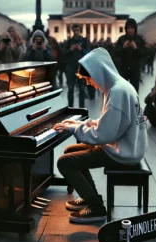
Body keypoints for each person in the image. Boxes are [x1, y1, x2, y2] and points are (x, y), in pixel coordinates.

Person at [53, 48, 148, 223]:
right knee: (69, 150)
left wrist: (74, 129)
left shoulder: (117, 92)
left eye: (89, 79)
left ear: (99, 72)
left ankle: (96, 208)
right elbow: (110, 123)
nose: (89, 83)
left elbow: (103, 135)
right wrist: (78, 124)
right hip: (127, 144)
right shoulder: (118, 86)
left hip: (124, 152)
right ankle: (91, 197)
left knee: (64, 162)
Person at [115, 18, 145, 93]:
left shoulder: (140, 39)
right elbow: (115, 53)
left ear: (135, 28)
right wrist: (123, 47)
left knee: (134, 91)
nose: (130, 30)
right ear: (126, 29)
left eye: (132, 28)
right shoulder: (121, 39)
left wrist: (136, 48)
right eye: (128, 28)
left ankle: (134, 104)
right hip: (123, 69)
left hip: (135, 69)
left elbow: (143, 54)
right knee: (123, 90)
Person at [64, 23, 90, 108]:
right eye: (74, 30)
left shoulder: (84, 41)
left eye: (77, 30)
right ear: (72, 31)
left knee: (82, 89)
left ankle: (82, 108)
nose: (76, 32)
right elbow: (64, 54)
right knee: (70, 89)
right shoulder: (68, 42)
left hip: (81, 68)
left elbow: (89, 53)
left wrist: (81, 49)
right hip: (71, 68)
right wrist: (70, 50)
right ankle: (70, 108)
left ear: (80, 30)